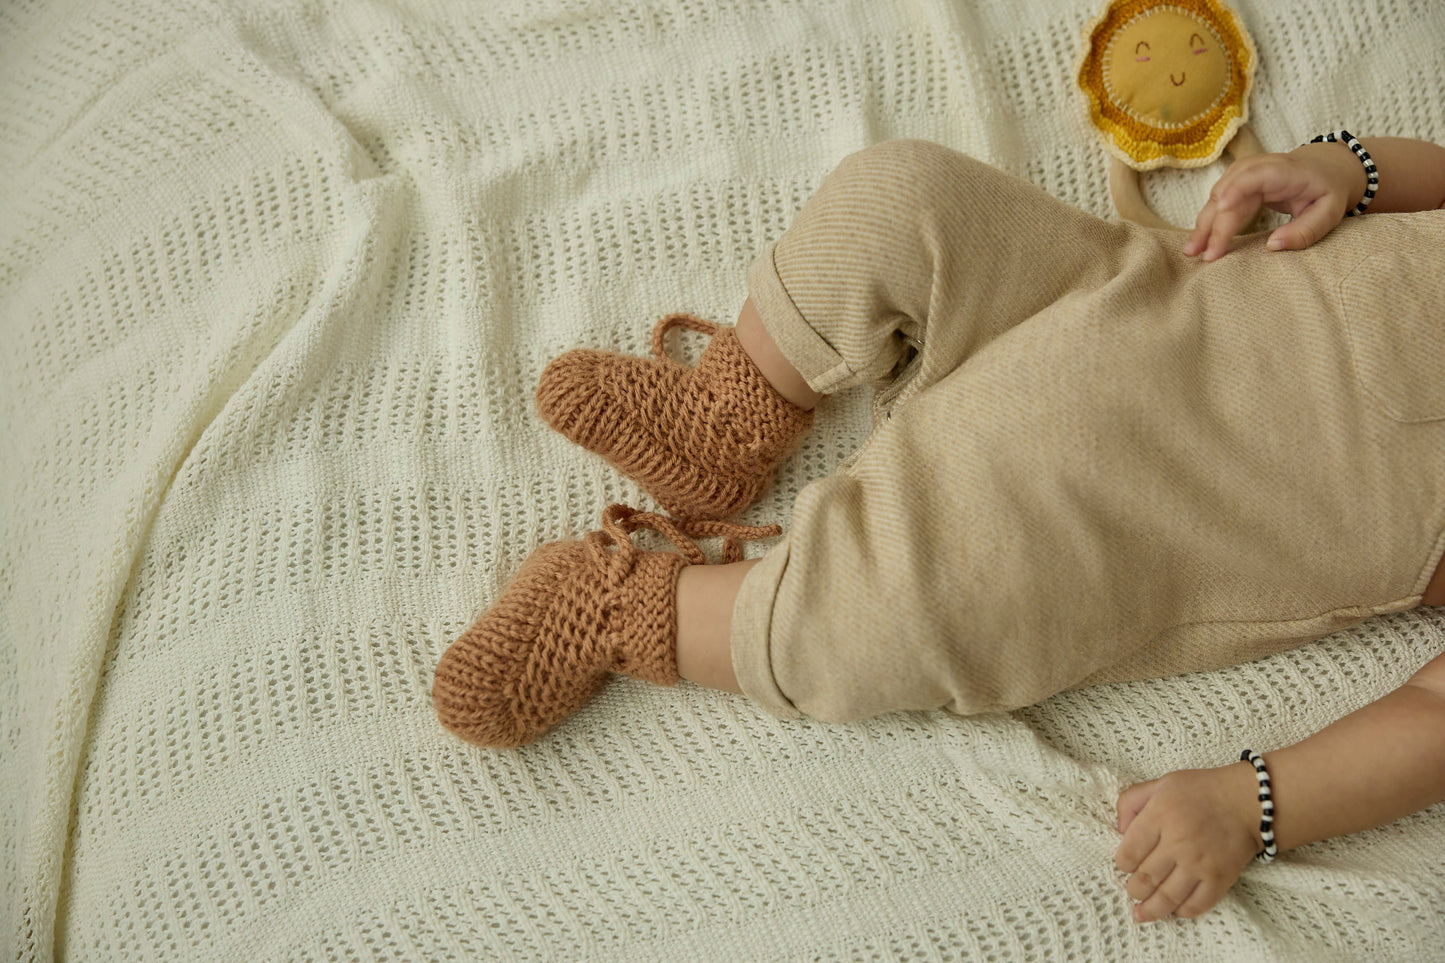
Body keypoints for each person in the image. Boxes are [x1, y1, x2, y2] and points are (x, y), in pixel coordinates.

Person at [432, 134, 1445, 922]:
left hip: (1129, 516)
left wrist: (1249, 807)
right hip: (1118, 291)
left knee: (907, 611)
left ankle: (626, 606)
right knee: (900, 198)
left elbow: (1430, 729)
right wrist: (1339, 168)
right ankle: (730, 413)